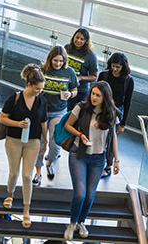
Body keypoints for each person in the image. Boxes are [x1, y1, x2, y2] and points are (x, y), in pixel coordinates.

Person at [63, 81, 120, 240]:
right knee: (80, 193)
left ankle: (81, 222)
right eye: (93, 94)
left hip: (98, 158)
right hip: (78, 154)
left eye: (98, 95)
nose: (94, 97)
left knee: (89, 195)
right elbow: (68, 125)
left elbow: (113, 136)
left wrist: (116, 160)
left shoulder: (112, 113)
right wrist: (80, 135)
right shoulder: (81, 107)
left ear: (105, 97)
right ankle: (72, 223)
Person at [0, 64, 48, 228]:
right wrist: (17, 123)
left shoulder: (42, 101)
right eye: (37, 88)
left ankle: (26, 211)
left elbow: (43, 122)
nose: (39, 92)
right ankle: (10, 195)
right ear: (29, 84)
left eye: (41, 89)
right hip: (13, 140)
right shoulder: (15, 98)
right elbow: (2, 118)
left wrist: (45, 141)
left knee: (27, 176)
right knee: (14, 172)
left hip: (33, 141)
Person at [33, 46, 79, 185]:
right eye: (55, 60)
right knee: (40, 141)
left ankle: (50, 162)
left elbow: (75, 89)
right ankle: (38, 171)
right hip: (42, 111)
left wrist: (70, 94)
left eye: (60, 61)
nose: (58, 63)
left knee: (55, 142)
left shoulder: (69, 72)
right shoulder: (42, 70)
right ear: (50, 59)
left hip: (59, 111)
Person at [97, 52, 134, 178]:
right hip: (100, 108)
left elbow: (127, 102)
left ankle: (108, 165)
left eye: (118, 67)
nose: (115, 69)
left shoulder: (128, 80)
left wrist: (123, 123)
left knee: (111, 138)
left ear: (123, 67)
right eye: (113, 66)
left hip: (115, 111)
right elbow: (95, 92)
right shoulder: (104, 75)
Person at [65, 28, 98, 111]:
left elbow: (94, 76)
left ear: (86, 41)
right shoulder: (67, 48)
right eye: (77, 37)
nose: (78, 40)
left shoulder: (90, 55)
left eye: (82, 39)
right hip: (65, 87)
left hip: (80, 91)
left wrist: (80, 78)